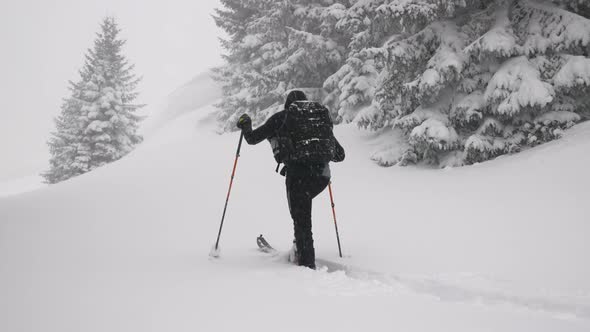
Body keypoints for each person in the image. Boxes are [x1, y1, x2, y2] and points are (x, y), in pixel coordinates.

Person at [236, 90, 345, 269]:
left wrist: (245, 124)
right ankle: (300, 248)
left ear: (289, 105)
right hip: (322, 177)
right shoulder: (317, 121)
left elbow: (252, 139)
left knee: (301, 220)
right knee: (302, 213)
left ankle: (306, 264)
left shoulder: (283, 117)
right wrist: (318, 150)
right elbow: (340, 155)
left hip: (298, 176)